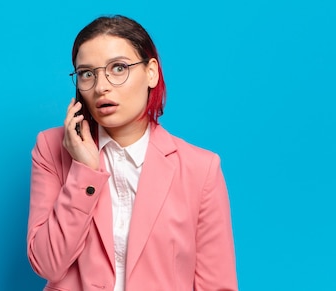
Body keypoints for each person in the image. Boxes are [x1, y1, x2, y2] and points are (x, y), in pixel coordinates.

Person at [27, 15, 237, 291]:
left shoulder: (201, 169)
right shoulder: (50, 148)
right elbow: (47, 264)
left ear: (152, 72)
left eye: (118, 68)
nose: (101, 86)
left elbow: (217, 285)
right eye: (87, 74)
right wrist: (85, 172)